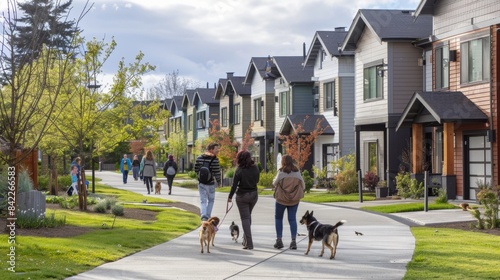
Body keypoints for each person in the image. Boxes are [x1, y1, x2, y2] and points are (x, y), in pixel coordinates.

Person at [228, 150, 260, 250]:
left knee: (245, 218)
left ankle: (249, 243)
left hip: (242, 196)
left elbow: (234, 185)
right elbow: (257, 180)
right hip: (254, 195)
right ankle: (246, 240)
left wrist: (230, 197)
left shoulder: (239, 170)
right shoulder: (255, 168)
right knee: (248, 216)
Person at [272, 154, 305, 250]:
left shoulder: (281, 172)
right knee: (292, 219)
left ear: (283, 162)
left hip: (281, 199)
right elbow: (303, 185)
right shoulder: (297, 172)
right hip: (294, 200)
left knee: (278, 218)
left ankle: (279, 240)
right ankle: (293, 241)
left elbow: (274, 183)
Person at [194, 142, 222, 221]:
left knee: (203, 200)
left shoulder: (199, 158)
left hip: (201, 183)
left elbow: (196, 169)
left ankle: (203, 215)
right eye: (216, 149)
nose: (218, 150)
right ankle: (207, 216)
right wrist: (219, 183)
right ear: (211, 149)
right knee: (211, 200)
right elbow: (217, 172)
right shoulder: (215, 159)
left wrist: (201, 176)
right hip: (210, 183)